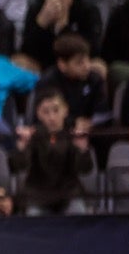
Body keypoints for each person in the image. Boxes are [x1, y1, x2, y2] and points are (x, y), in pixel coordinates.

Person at [8, 86, 95, 214]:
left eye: (56, 110)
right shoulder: (32, 136)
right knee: (33, 215)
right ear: (38, 113)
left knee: (78, 213)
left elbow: (85, 169)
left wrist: (83, 150)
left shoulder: (73, 135)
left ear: (65, 110)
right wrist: (21, 148)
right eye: (46, 112)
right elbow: (18, 167)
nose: (52, 117)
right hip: (38, 196)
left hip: (69, 195)